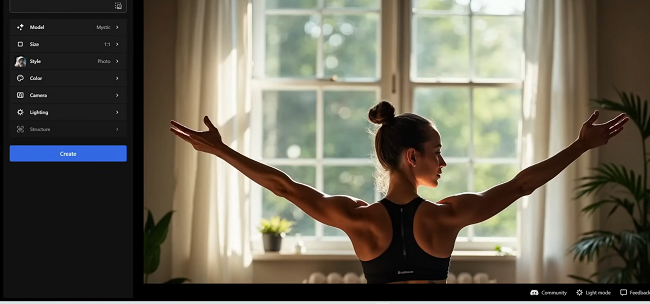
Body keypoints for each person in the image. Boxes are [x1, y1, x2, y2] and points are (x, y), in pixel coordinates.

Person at [170, 101, 628, 284]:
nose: (443, 163)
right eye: (438, 153)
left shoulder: (358, 218)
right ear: (412, 157)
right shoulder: (448, 216)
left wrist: (221, 150)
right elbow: (522, 185)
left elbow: (284, 187)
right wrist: (581, 145)